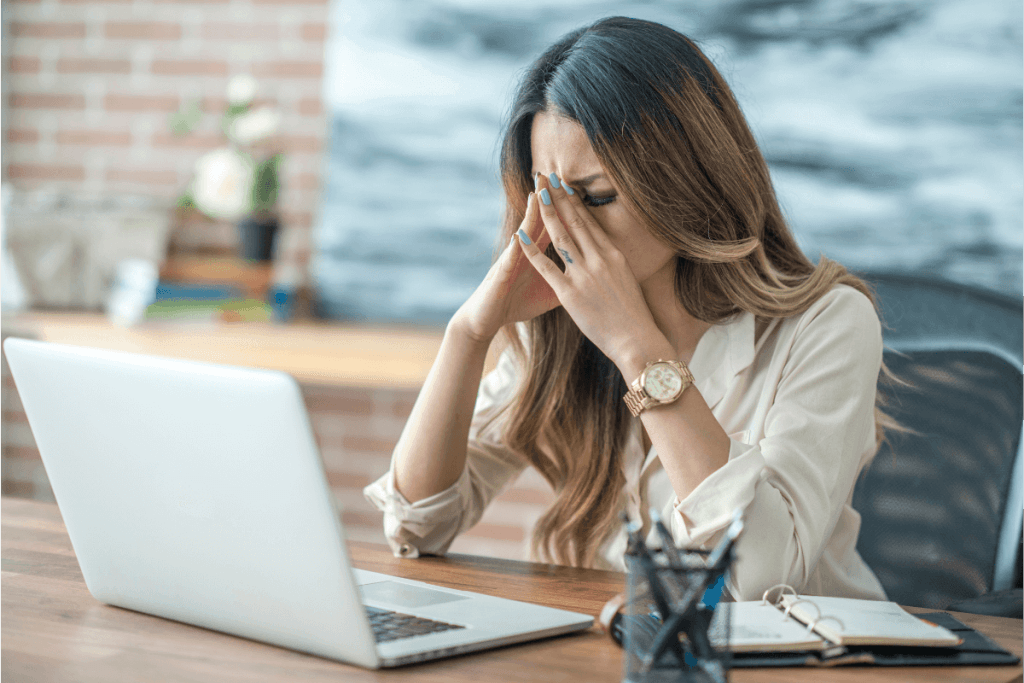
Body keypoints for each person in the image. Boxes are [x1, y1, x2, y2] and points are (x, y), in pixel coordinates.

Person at [364, 16, 892, 602]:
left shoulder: (829, 324)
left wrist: (635, 347)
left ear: (686, 179)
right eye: (550, 198)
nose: (568, 226)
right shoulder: (560, 329)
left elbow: (758, 580)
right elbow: (417, 527)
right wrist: (469, 333)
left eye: (596, 197)